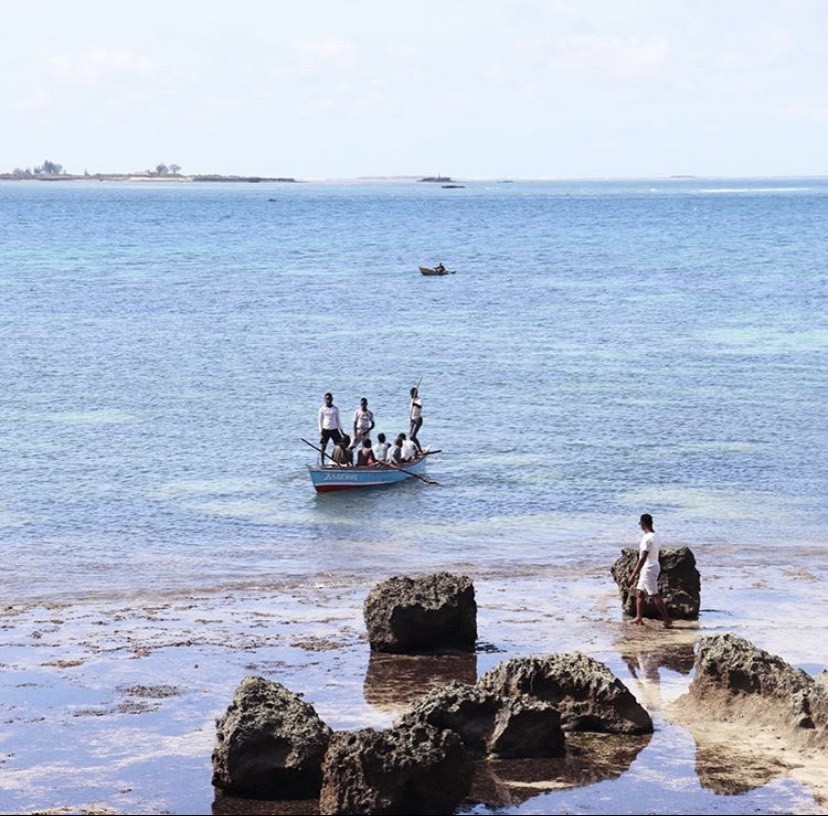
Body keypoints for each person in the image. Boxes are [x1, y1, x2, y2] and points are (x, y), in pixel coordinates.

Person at [628, 513, 673, 628]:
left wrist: (633, 574)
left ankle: (667, 620)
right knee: (640, 592)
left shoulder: (648, 538)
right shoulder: (655, 535)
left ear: (643, 524)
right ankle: (639, 618)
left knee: (654, 594)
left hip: (649, 567)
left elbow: (643, 557)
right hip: (650, 566)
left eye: (640, 524)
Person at [317, 392, 343, 464]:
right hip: (325, 430)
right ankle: (322, 463)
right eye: (327, 399)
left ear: (332, 399)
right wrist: (321, 432)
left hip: (334, 429)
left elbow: (338, 420)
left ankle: (339, 461)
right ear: (325, 400)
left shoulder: (335, 409)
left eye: (330, 399)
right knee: (323, 447)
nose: (328, 400)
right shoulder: (322, 409)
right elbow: (320, 421)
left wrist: (341, 430)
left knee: (340, 446)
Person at [408, 386, 423, 451]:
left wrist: (415, 404)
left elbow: (420, 406)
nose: (411, 395)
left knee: (413, 436)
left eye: (412, 394)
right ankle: (414, 450)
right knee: (410, 437)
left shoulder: (419, 400)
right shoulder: (412, 400)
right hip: (413, 420)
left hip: (418, 420)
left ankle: (420, 450)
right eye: (411, 394)